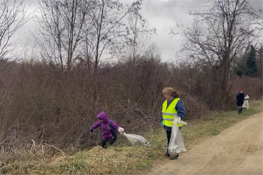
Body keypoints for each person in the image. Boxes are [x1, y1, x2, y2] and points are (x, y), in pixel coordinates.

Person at [161, 87, 185, 160]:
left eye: (165, 94)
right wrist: (162, 120)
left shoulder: (178, 102)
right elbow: (165, 113)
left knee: (174, 139)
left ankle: (175, 153)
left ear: (169, 94)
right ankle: (169, 151)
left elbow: (181, 112)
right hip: (167, 124)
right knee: (169, 138)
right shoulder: (165, 102)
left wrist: (179, 118)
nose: (164, 96)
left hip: (175, 125)